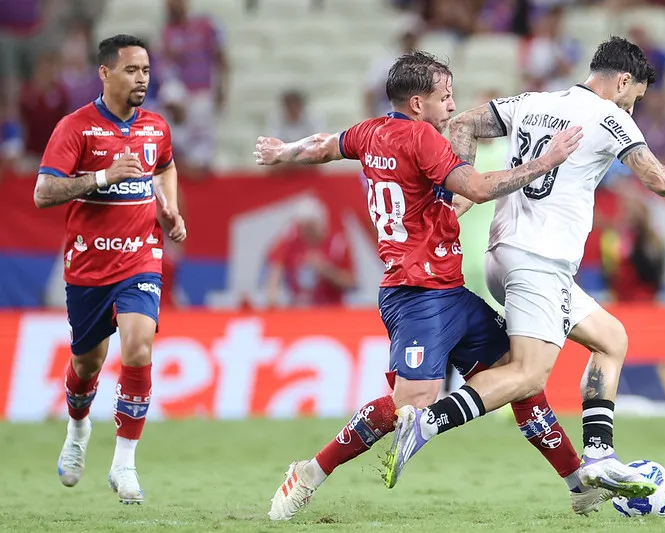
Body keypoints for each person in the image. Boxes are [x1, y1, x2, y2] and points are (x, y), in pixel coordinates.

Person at [254, 51, 606, 520]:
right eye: (446, 97)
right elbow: (477, 188)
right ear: (418, 103)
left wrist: (282, 153)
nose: (451, 105)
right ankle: (310, 473)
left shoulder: (369, 131)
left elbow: (323, 145)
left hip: (449, 291)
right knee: (412, 405)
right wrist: (547, 161)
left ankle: (578, 482)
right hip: (416, 294)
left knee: (517, 378)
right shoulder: (421, 137)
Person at [386, 36, 665, 495]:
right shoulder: (610, 116)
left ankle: (598, 455)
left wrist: (461, 189)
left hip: (504, 255)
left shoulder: (534, 101)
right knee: (528, 375)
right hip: (538, 260)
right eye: (634, 97)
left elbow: (461, 124)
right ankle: (425, 424)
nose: (632, 108)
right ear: (622, 81)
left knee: (611, 339)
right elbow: (656, 177)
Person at [33, 34, 186, 504]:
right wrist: (102, 177)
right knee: (87, 363)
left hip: (140, 257)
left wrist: (170, 206)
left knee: (139, 346)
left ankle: (124, 465)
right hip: (89, 266)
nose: (142, 79)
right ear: (105, 73)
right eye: (131, 70)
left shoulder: (156, 126)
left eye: (145, 70)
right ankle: (78, 432)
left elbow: (165, 165)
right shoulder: (75, 128)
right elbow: (42, 194)